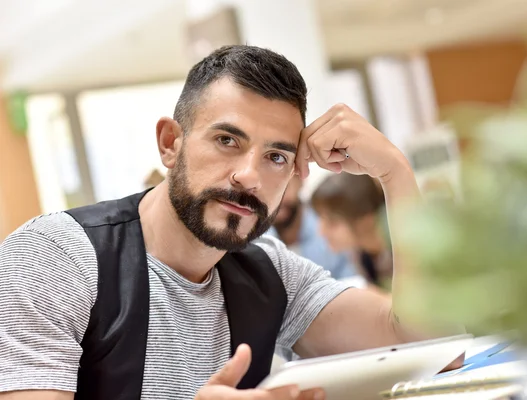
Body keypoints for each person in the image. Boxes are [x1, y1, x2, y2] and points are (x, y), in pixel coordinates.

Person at [0, 45, 461, 400]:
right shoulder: (55, 257)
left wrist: (395, 174)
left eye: (276, 156)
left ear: (296, 175)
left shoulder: (270, 273)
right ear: (169, 143)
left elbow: (427, 347)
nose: (249, 175)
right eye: (226, 140)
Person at [266, 175, 361, 282]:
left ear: (301, 181)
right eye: (266, 190)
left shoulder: (331, 223)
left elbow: (353, 280)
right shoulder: (253, 240)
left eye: (283, 189)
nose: (276, 200)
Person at [311, 173, 393, 291]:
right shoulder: (361, 256)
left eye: (332, 222)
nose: (321, 232)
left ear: (366, 219)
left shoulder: (406, 243)